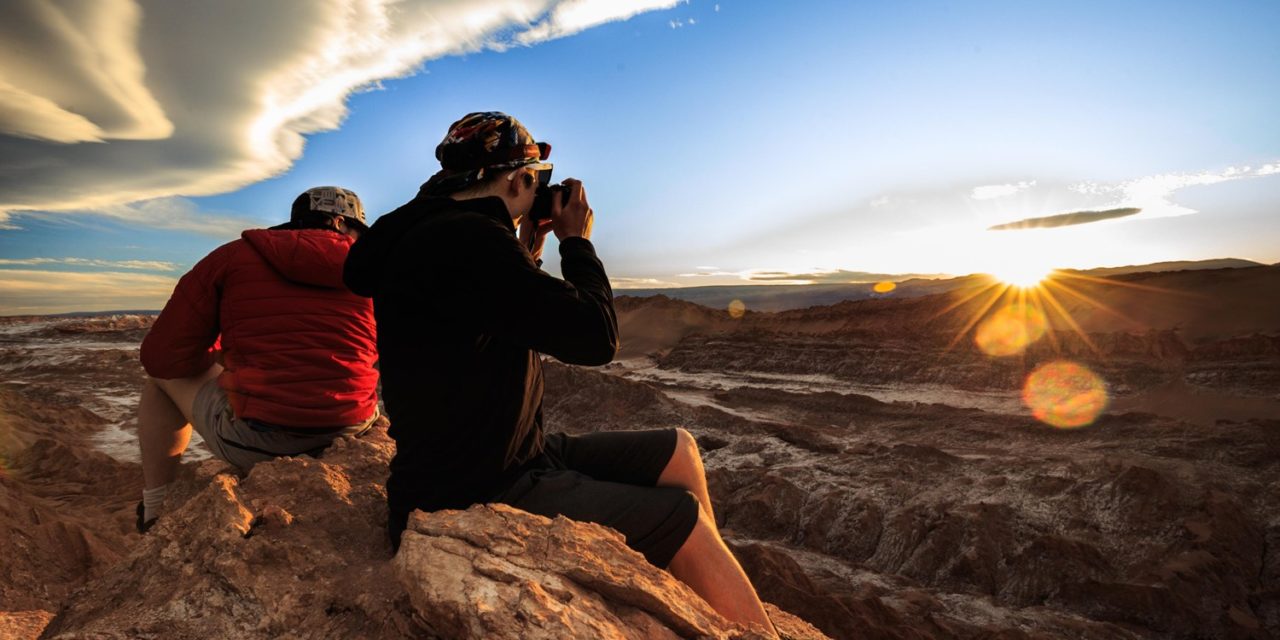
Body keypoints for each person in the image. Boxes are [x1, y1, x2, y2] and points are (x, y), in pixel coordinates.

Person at [343, 112, 777, 635]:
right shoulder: (473, 242)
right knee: (683, 519)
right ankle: (710, 581)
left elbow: (497, 306)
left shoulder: (434, 234)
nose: (540, 188)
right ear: (516, 180)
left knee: (679, 449)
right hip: (480, 484)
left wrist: (529, 242)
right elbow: (596, 338)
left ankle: (693, 588)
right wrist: (576, 242)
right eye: (537, 178)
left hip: (514, 451)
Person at [136, 186, 380, 533]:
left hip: (261, 443)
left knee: (158, 382)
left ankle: (155, 509)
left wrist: (220, 360)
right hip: (356, 426)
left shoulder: (231, 257)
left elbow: (161, 358)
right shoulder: (376, 268)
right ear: (340, 223)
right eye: (357, 230)